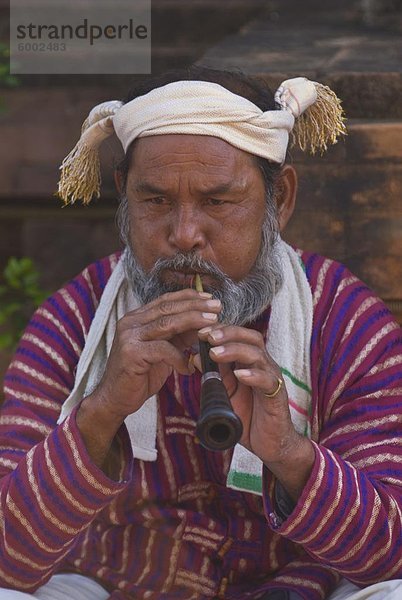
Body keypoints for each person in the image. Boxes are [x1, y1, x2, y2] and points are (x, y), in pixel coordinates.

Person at [0, 66, 401, 600]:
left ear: (278, 199)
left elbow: (389, 555)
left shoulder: (344, 320)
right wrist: (98, 414)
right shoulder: (75, 319)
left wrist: (288, 452)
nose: (184, 236)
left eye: (217, 201)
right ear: (125, 194)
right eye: (156, 201)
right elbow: (7, 562)